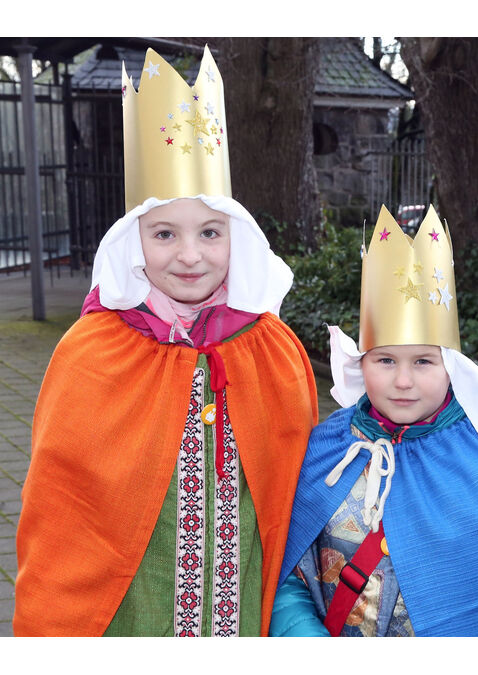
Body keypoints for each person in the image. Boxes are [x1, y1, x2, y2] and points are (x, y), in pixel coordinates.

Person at [14, 47, 318, 637]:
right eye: (164, 234)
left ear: (236, 235)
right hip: (133, 613)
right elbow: (62, 508)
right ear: (133, 241)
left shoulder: (271, 349)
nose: (190, 255)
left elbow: (295, 489)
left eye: (210, 232)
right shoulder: (91, 353)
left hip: (239, 604)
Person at [269, 205, 478, 637]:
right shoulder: (328, 445)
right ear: (361, 363)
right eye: (386, 360)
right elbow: (288, 571)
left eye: (424, 361)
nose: (404, 381)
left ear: (451, 365)